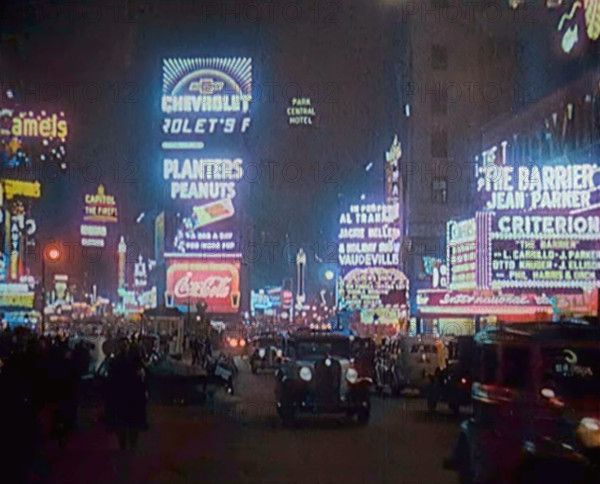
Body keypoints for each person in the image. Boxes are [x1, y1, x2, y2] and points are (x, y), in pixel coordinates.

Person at [104, 337, 149, 451]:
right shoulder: (121, 361)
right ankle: (126, 444)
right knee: (127, 423)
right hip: (126, 395)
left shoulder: (129, 360)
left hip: (127, 395)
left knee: (128, 422)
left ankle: (127, 444)